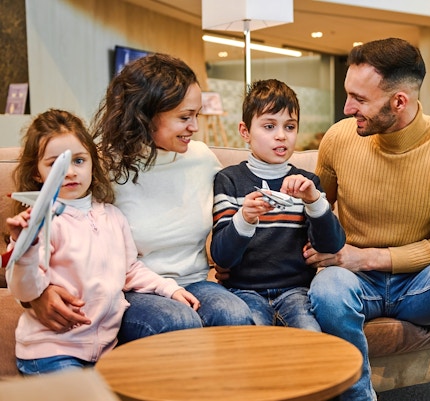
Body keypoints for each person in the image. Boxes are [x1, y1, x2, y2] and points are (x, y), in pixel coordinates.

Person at [303, 38, 430, 400]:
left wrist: (365, 257)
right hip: (355, 282)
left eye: (359, 99)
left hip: (420, 285)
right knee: (327, 289)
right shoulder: (338, 138)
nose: (347, 108)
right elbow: (316, 210)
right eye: (348, 94)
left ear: (399, 101)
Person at [25, 54, 254, 341]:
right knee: (178, 321)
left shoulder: (201, 158)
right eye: (185, 117)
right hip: (131, 289)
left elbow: (246, 206)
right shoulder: (101, 165)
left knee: (235, 315)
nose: (195, 127)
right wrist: (37, 294)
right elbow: (54, 224)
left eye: (197, 115)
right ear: (146, 114)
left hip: (194, 282)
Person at [5, 109, 200, 375]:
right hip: (52, 351)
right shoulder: (41, 221)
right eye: (55, 164)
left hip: (104, 351)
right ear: (37, 173)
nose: (70, 172)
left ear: (92, 163)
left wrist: (169, 289)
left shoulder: (113, 216)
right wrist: (25, 248)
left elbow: (130, 269)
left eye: (79, 160)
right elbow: (25, 290)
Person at [210, 79, 345, 330]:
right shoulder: (229, 180)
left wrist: (314, 201)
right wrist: (244, 218)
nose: (281, 135)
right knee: (252, 339)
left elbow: (331, 245)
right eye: (269, 126)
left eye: (290, 126)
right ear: (245, 132)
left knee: (311, 335)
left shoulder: (308, 183)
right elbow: (222, 256)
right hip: (244, 292)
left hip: (296, 292)